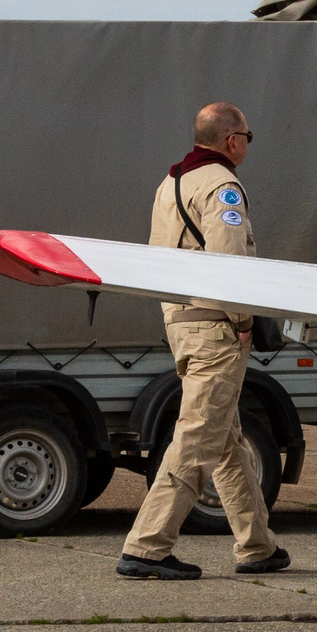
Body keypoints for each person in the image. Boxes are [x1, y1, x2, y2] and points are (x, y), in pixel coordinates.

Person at [119, 102, 291, 579]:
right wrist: (242, 322)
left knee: (226, 436)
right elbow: (229, 265)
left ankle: (257, 545)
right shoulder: (223, 186)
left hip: (181, 322)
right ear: (232, 139)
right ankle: (147, 547)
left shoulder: (171, 183)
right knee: (198, 436)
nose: (247, 145)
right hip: (217, 327)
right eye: (248, 137)